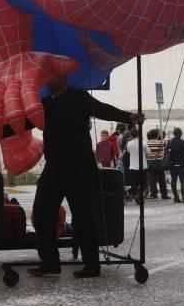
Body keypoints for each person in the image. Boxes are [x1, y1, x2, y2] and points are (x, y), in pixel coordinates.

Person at [28, 75, 144, 278]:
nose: (46, 81)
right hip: (54, 167)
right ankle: (49, 261)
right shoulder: (44, 104)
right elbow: (26, 122)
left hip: (79, 167)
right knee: (42, 211)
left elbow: (103, 109)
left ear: (61, 77)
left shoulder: (79, 98)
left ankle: (91, 264)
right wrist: (0, 129)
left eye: (50, 77)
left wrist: (129, 117)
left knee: (83, 217)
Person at [126, 128, 151, 203]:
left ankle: (136, 193)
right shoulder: (143, 142)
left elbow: (128, 151)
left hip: (133, 167)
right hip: (142, 166)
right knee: (143, 183)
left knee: (134, 183)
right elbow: (148, 153)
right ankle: (139, 194)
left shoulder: (129, 143)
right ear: (138, 134)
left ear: (131, 135)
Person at [165, 127, 184, 203]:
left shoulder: (170, 142)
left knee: (173, 180)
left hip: (172, 164)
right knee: (183, 181)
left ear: (174, 133)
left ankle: (176, 196)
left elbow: (168, 152)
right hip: (182, 164)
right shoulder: (183, 142)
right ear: (181, 134)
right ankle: (183, 197)